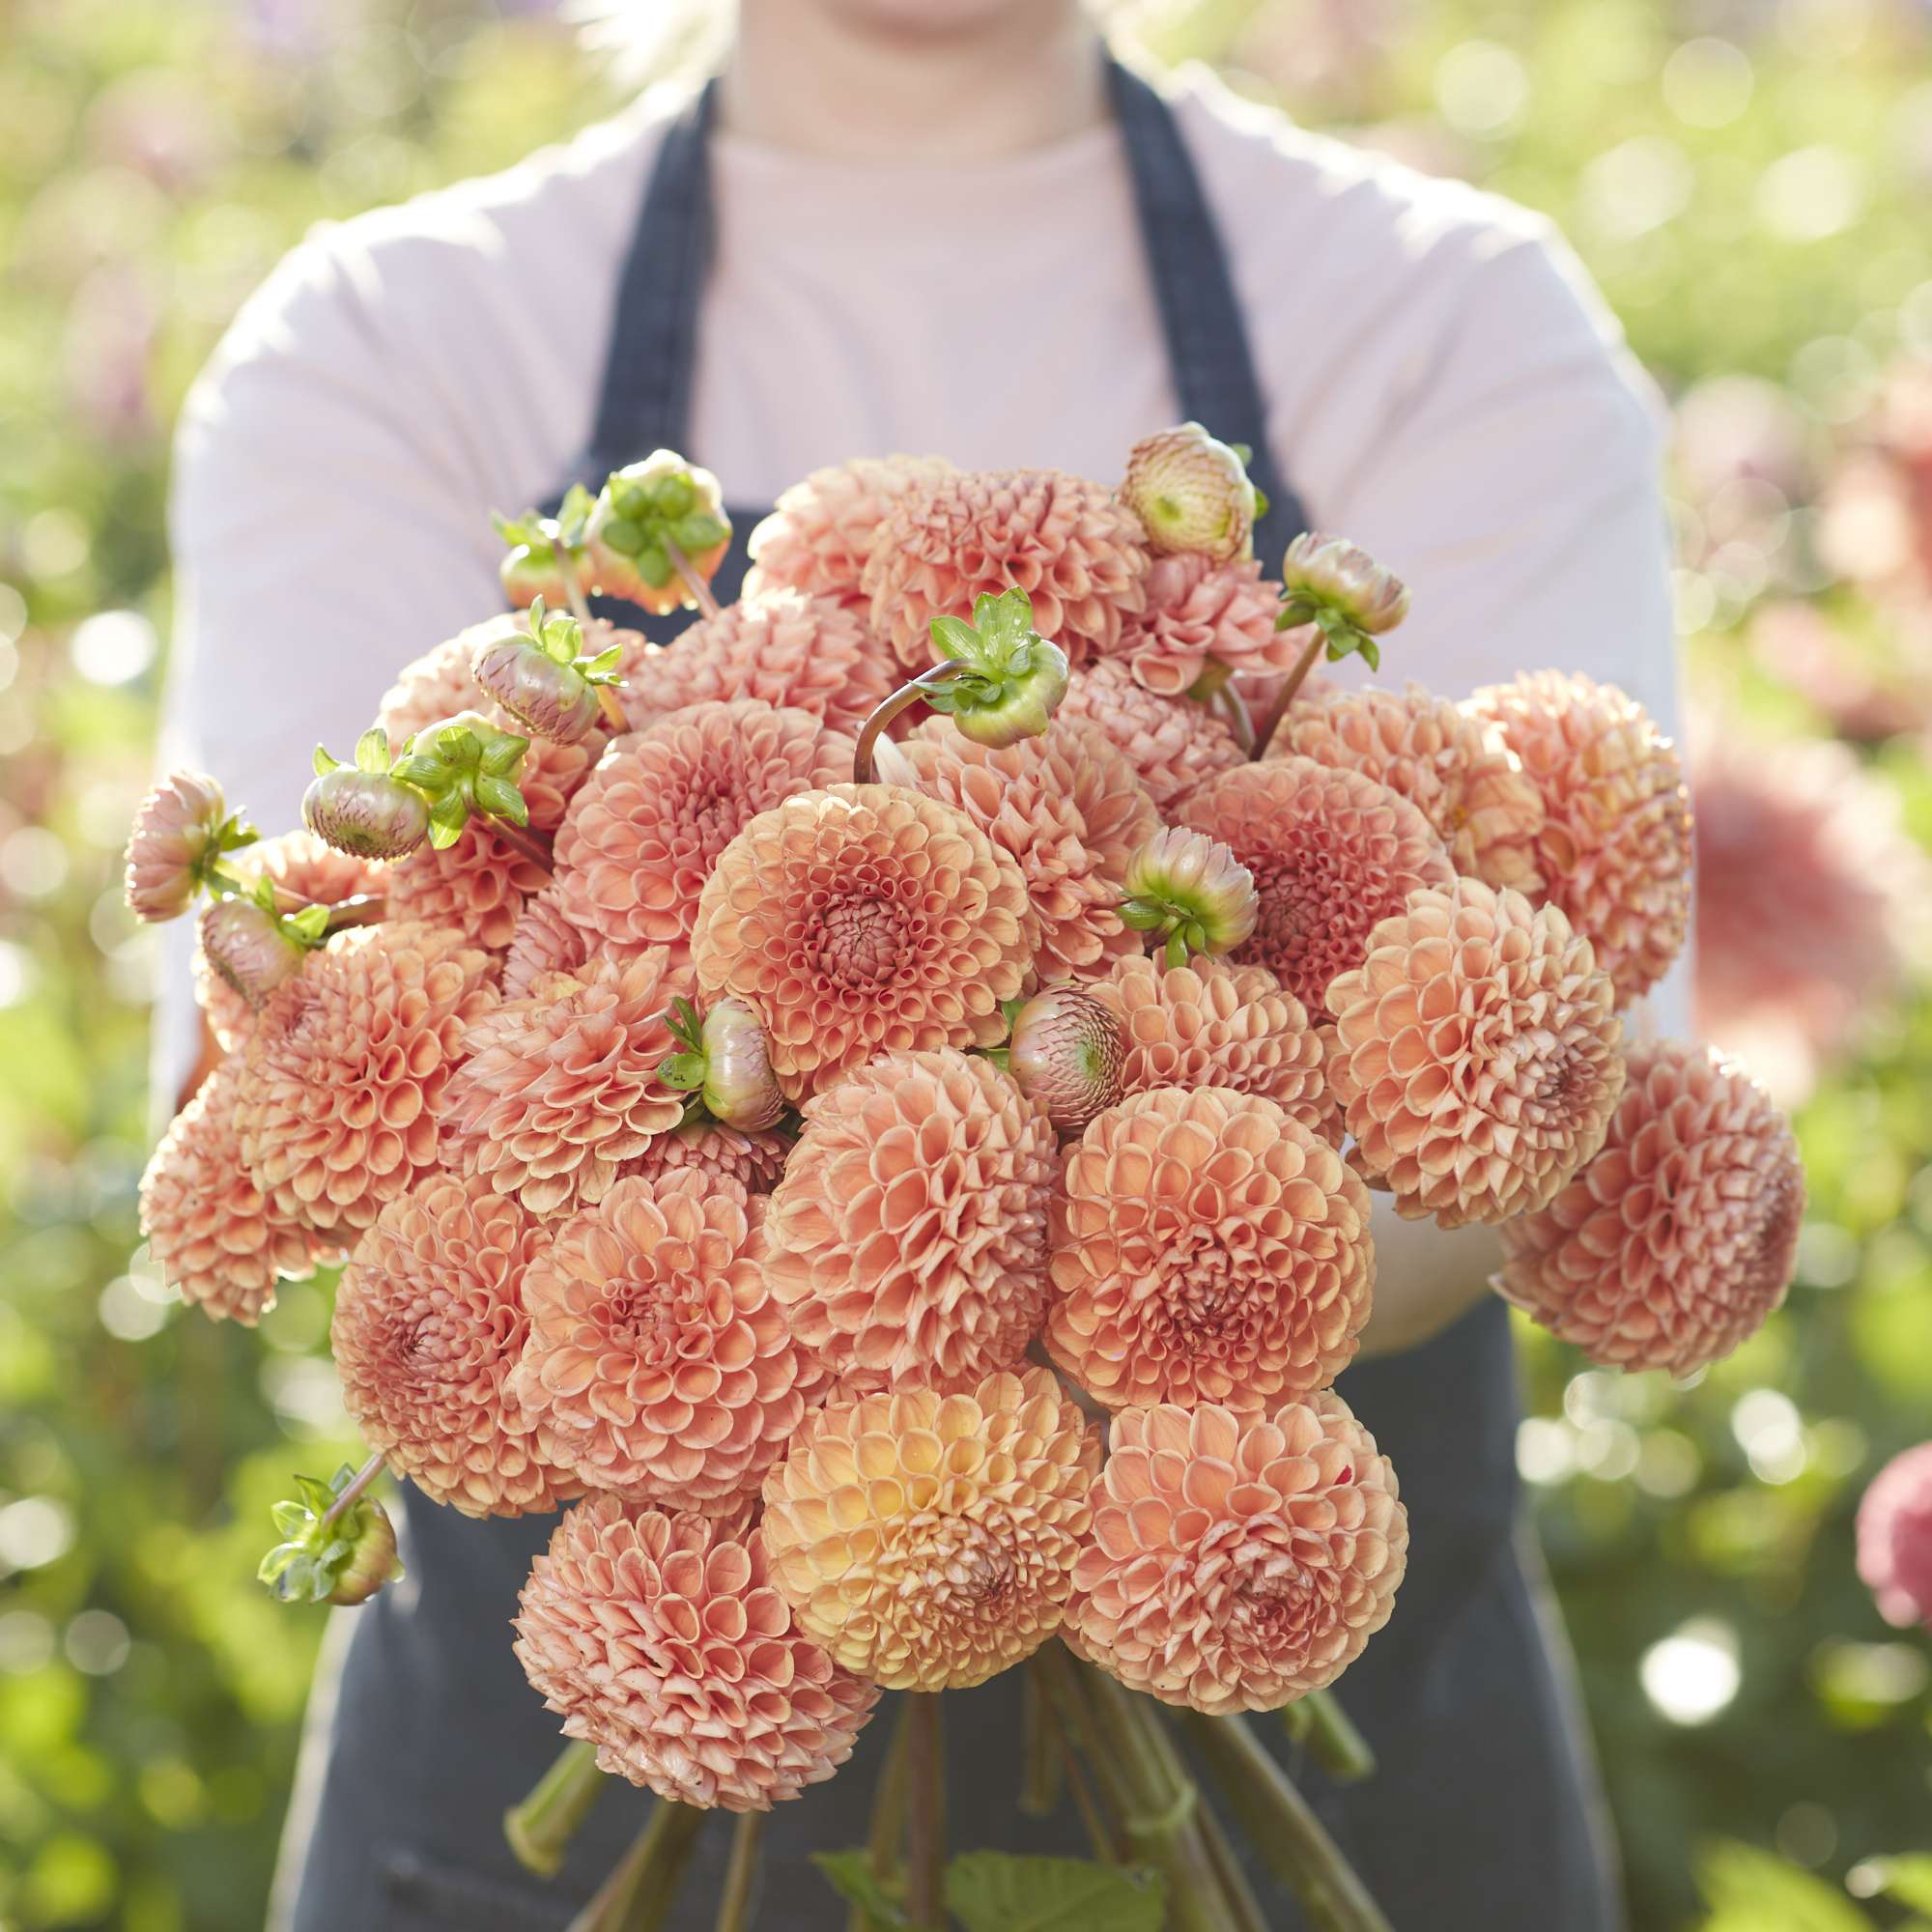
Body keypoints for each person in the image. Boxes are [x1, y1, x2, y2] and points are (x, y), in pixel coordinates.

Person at [163, 1, 1682, 1924]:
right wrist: (930, 1235)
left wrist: (936, 1258)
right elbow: (292, 1076)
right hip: (555, 1782)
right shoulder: (391, 339)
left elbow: (1562, 1093)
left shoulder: (1443, 316)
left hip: (1311, 1715)